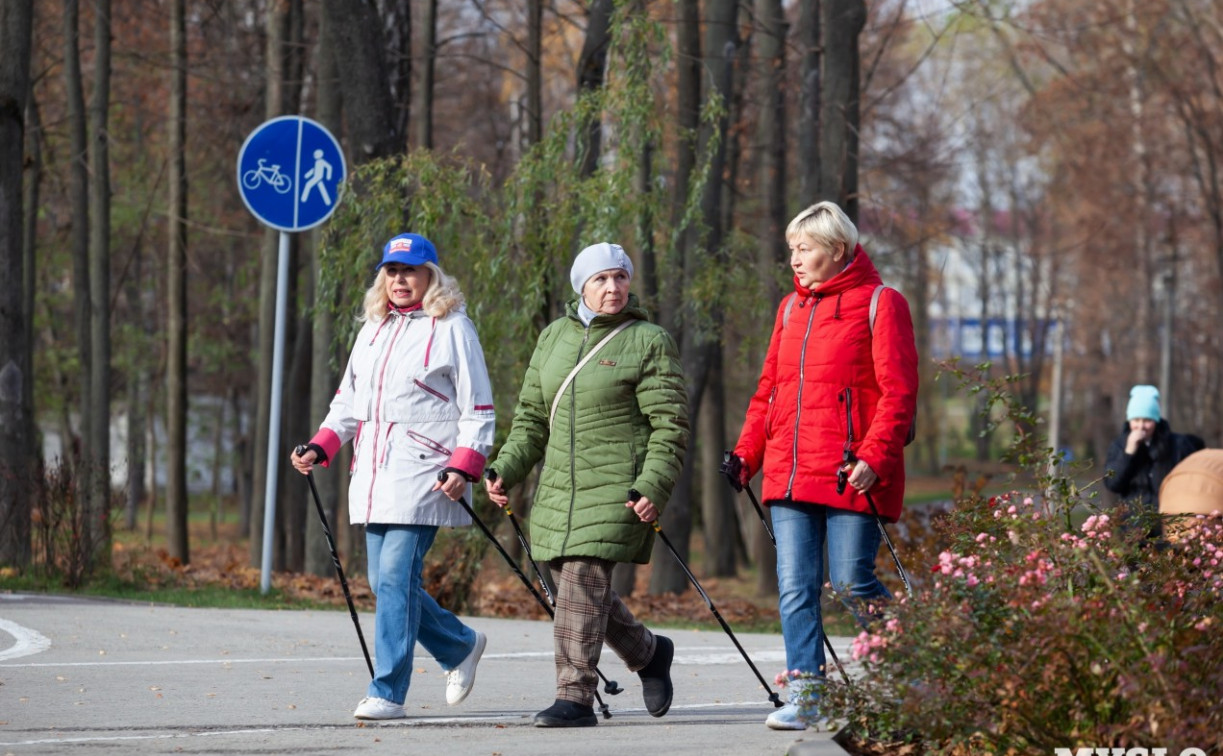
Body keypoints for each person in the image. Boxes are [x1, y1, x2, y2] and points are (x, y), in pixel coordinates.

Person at [721, 201, 918, 730]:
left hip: (851, 469)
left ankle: (917, 672)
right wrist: (746, 454)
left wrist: (876, 457)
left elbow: (899, 395)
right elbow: (769, 392)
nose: (795, 259)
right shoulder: (790, 311)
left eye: (804, 249)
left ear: (837, 250)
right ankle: (807, 694)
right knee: (795, 586)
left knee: (852, 581)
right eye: (791, 250)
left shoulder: (881, 304)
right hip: (787, 470)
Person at [482, 242, 690, 728]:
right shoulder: (553, 337)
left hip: (619, 486)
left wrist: (652, 487)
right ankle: (649, 653)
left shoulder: (648, 340)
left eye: (620, 277)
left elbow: (670, 425)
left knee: (582, 578)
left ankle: (574, 697)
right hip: (558, 488)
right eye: (601, 279)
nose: (613, 287)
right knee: (576, 588)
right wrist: (505, 468)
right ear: (582, 287)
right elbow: (533, 417)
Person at [290, 232, 495, 720]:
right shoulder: (372, 329)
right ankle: (460, 645)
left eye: (411, 271)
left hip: (427, 472)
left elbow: (479, 408)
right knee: (387, 583)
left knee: (395, 578)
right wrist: (321, 445)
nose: (401, 280)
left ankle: (387, 691)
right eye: (393, 271)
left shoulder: (453, 328)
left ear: (431, 276)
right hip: (374, 472)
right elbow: (348, 401)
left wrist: (464, 465)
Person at [1103, 384, 1203, 538]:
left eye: (1147, 420)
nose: (1141, 426)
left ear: (1156, 420)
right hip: (1132, 529)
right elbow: (1113, 483)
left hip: (1168, 526)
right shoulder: (1119, 446)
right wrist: (1129, 452)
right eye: (1136, 420)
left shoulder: (1176, 444)